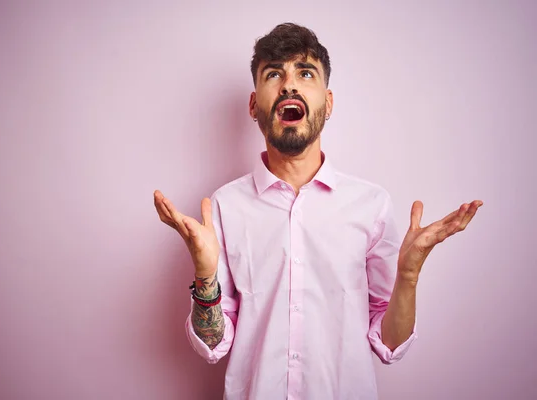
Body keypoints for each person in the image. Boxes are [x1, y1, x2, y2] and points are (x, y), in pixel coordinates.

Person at [153, 23, 482, 400]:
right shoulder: (224, 207)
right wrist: (205, 275)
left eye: (304, 73)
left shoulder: (371, 205)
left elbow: (391, 345)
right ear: (252, 104)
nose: (288, 85)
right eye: (273, 74)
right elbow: (213, 345)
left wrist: (407, 277)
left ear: (327, 103)